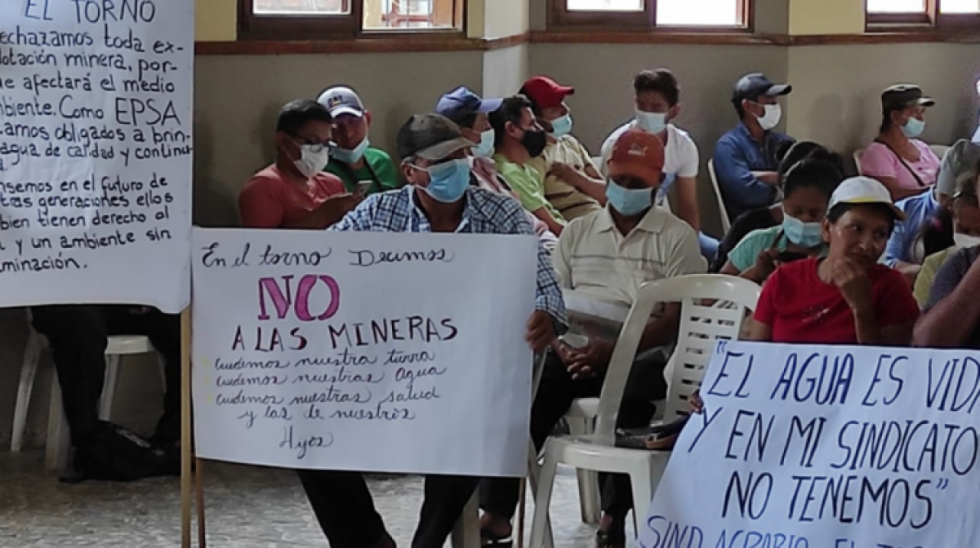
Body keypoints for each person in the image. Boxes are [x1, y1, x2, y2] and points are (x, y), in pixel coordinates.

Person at [295, 113, 566, 548]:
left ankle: (428, 541)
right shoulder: (379, 213)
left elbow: (545, 284)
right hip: (385, 377)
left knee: (465, 423)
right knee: (306, 435)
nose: (457, 164)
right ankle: (368, 541)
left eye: (461, 154)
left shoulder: (500, 213)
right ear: (410, 172)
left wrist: (546, 314)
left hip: (469, 380)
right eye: (442, 161)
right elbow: (323, 270)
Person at [480, 130, 705, 548]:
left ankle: (611, 516)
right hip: (579, 348)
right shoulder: (577, 233)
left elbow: (674, 320)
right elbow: (553, 304)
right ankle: (496, 513)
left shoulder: (676, 237)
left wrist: (616, 352)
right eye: (618, 180)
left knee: (631, 398)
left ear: (658, 184)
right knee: (526, 392)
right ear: (605, 175)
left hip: (646, 353)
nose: (625, 190)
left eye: (637, 184)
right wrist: (563, 348)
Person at [750, 176, 919, 345]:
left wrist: (862, 309)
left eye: (879, 234)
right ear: (826, 229)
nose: (866, 245)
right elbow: (756, 355)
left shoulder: (891, 287)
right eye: (856, 229)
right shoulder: (783, 280)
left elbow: (889, 364)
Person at [29, 306, 181, 475]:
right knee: (80, 326)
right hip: (63, 300)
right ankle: (89, 443)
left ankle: (172, 439)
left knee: (182, 324)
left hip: (118, 299)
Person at [600, 69, 718, 260]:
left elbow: (688, 207)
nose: (647, 112)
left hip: (665, 225)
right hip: (625, 228)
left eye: (656, 107)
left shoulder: (683, 146)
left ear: (674, 111)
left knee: (715, 253)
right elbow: (606, 202)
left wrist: (689, 247)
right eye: (641, 105)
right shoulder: (617, 145)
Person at [434, 86, 558, 250]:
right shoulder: (460, 180)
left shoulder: (485, 169)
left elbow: (531, 223)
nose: (489, 127)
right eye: (483, 121)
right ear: (463, 132)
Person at [710, 142, 838, 271]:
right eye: (796, 211)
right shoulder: (756, 244)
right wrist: (755, 274)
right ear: (783, 204)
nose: (804, 220)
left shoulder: (840, 255)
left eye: (815, 214)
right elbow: (722, 286)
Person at [239, 99, 360, 229]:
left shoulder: (333, 184)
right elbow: (260, 246)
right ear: (283, 140)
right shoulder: (264, 187)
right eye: (313, 142)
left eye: (326, 144)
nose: (321, 150)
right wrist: (323, 215)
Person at [519, 75, 605, 221]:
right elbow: (536, 206)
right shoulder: (536, 155)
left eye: (563, 104)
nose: (565, 111)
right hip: (577, 223)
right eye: (554, 109)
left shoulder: (570, 143)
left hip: (601, 215)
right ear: (537, 119)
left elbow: (607, 194)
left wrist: (577, 179)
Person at [714, 72, 795, 223]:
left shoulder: (784, 142)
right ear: (748, 106)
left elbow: (804, 180)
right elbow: (747, 193)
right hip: (751, 226)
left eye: (775, 101)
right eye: (768, 100)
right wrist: (780, 183)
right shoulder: (728, 146)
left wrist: (760, 176)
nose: (775, 106)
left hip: (790, 222)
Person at [881, 135, 957, 283]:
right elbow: (887, 265)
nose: (952, 206)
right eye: (947, 196)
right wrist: (930, 273)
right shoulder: (905, 210)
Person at [489, 95, 567, 235]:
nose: (539, 130)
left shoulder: (528, 170)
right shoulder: (509, 174)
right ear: (511, 129)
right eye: (531, 124)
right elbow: (553, 227)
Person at [859, 84, 941, 202]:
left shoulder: (921, 147)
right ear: (895, 117)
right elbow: (891, 194)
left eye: (922, 111)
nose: (921, 118)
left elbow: (942, 176)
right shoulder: (877, 153)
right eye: (914, 113)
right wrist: (933, 192)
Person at [317, 85, 400, 195]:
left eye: (353, 121)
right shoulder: (319, 170)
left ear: (368, 119)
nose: (348, 132)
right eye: (336, 126)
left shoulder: (381, 161)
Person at [914, 175, 980, 307]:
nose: (970, 238)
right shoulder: (934, 265)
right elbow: (920, 320)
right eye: (963, 230)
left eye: (979, 232)